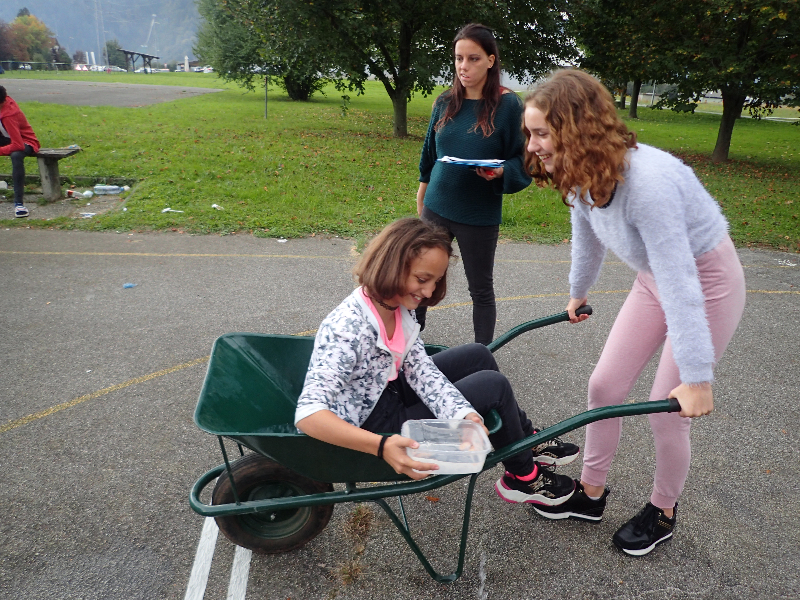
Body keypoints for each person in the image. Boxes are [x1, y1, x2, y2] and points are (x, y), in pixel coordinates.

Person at [521, 69, 746, 556]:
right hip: (654, 282)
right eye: (530, 133)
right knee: (604, 386)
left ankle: (663, 511)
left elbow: (683, 283)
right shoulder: (580, 172)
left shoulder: (649, 185)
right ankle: (591, 493)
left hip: (706, 285)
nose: (533, 144)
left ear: (575, 130)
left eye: (541, 133)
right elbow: (586, 231)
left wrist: (698, 376)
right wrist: (577, 290)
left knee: (667, 412)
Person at [295, 217, 579, 506]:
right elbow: (308, 415)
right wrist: (381, 446)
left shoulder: (396, 307)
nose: (429, 292)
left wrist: (464, 415)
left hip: (388, 391)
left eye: (436, 281)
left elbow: (422, 371)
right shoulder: (349, 328)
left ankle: (522, 439)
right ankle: (523, 478)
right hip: (372, 424)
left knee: (478, 354)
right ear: (391, 266)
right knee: (493, 386)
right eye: (422, 279)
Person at [416, 23, 532, 345]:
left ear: (491, 61)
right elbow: (429, 155)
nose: (463, 67)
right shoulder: (445, 102)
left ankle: (482, 355)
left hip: (478, 213)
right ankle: (411, 342)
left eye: (473, 59)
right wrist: (422, 199)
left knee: (480, 288)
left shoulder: (509, 106)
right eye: (458, 59)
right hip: (437, 205)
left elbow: (525, 159)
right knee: (422, 277)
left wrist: (500, 171)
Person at [0, 85, 39, 218]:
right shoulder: (4, 100)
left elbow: (18, 145)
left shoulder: (9, 115)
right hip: (6, 138)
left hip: (25, 142)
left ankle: (19, 204)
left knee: (16, 156)